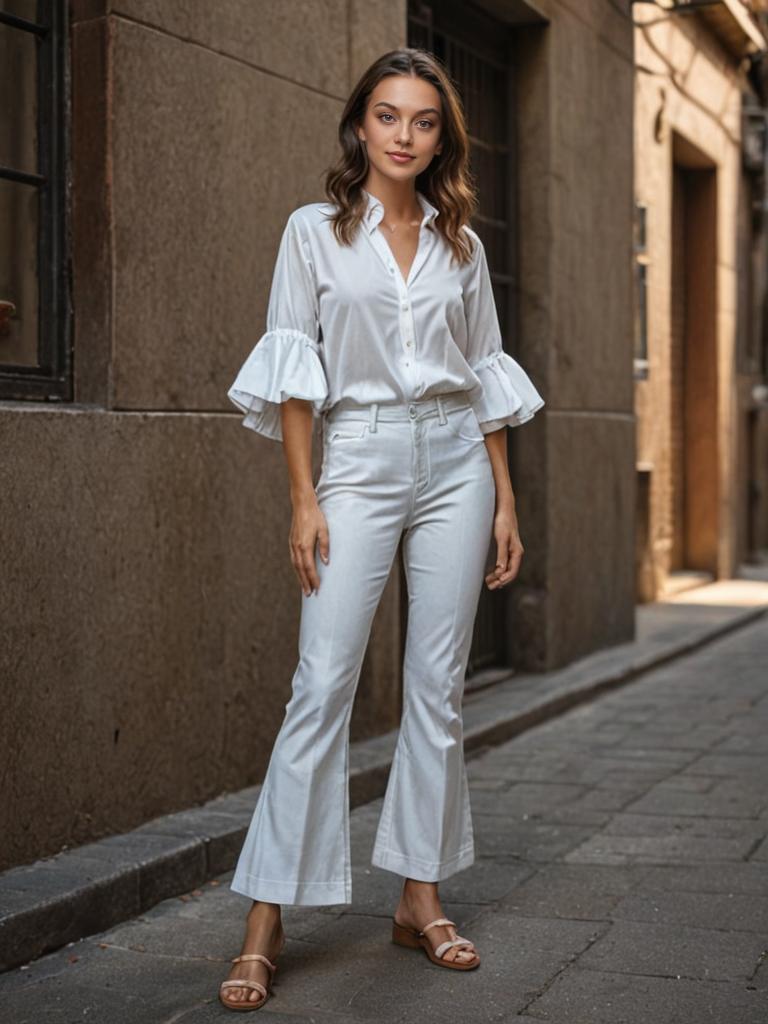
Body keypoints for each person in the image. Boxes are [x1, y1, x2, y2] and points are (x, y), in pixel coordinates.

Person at [218, 47, 545, 1012]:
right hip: (355, 461)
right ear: (360, 124)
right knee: (321, 683)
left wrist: (506, 496)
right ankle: (267, 917)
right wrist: (303, 497)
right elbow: (292, 373)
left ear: (443, 135)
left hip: (455, 462)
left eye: (425, 121)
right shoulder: (314, 233)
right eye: (389, 116)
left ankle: (419, 895)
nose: (406, 135)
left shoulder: (461, 243)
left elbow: (482, 369)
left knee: (438, 688)